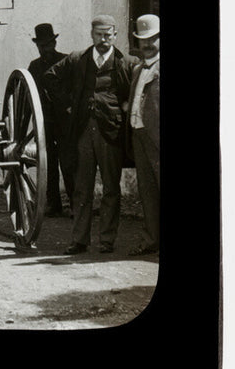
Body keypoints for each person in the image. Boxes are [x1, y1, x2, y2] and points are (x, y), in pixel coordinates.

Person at [44, 15, 135, 255]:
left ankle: (107, 240)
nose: (103, 39)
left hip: (111, 132)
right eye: (99, 35)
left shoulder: (126, 62)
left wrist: (125, 104)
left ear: (115, 35)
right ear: (92, 35)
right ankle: (79, 240)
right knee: (81, 188)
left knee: (110, 188)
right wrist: (68, 104)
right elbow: (50, 77)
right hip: (83, 131)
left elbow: (135, 90)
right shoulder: (77, 59)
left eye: (108, 35)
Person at [26, 23, 72, 217]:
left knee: (69, 163)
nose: (46, 49)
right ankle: (54, 204)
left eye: (48, 44)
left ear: (54, 42)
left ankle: (76, 203)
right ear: (37, 46)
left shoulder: (66, 61)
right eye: (42, 46)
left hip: (65, 122)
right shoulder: (34, 67)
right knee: (48, 164)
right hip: (44, 122)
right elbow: (29, 96)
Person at [127, 14, 160, 256]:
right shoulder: (138, 69)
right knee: (147, 191)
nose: (147, 45)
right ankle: (151, 240)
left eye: (153, 39)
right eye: (143, 40)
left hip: (158, 137)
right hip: (139, 136)